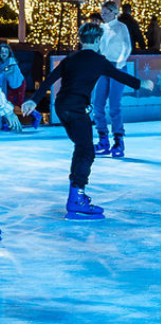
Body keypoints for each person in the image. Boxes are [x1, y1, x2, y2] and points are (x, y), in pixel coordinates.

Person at [22, 22, 153, 219]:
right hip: (75, 109)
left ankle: (76, 193)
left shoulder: (71, 58)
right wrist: (141, 83)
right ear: (99, 40)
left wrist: (34, 100)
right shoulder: (99, 60)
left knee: (82, 147)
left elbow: (49, 79)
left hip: (62, 107)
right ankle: (77, 198)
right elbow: (119, 75)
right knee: (87, 151)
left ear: (80, 40)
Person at [93, 0, 133, 158]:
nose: (103, 15)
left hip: (117, 68)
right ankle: (103, 139)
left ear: (114, 12)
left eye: (106, 13)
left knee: (114, 105)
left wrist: (119, 63)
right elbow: (98, 48)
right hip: (104, 68)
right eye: (102, 13)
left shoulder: (122, 27)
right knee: (98, 104)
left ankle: (118, 140)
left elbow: (127, 46)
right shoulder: (101, 29)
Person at [0, 41, 41, 129]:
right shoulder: (1, 62)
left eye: (6, 52)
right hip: (11, 85)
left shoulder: (11, 60)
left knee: (19, 102)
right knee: (8, 102)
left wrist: (2, 72)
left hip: (19, 84)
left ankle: (35, 114)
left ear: (9, 53)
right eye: (2, 52)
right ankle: (6, 122)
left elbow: (9, 71)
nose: (4, 54)